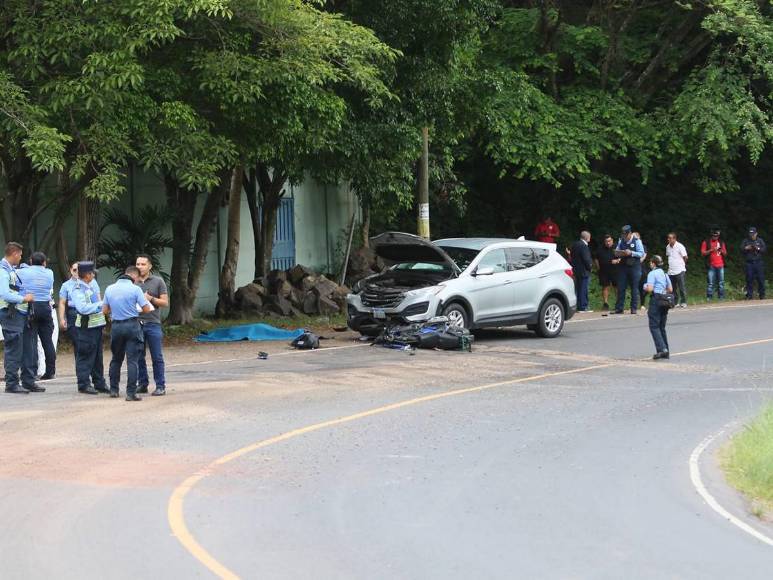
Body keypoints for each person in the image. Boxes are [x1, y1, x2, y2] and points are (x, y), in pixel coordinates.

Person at [103, 266, 151, 401]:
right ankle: (130, 393)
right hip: (132, 326)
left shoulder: (109, 288)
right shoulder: (135, 289)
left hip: (116, 326)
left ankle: (113, 390)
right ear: (134, 277)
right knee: (132, 361)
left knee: (116, 359)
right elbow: (146, 309)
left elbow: (105, 310)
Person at [0, 242, 40, 393]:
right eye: (20, 254)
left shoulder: (10, 270)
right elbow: (4, 293)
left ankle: (27, 381)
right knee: (14, 349)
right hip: (10, 313)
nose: (21, 257)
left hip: (18, 313)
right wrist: (24, 298)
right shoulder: (3, 271)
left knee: (24, 347)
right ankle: (11, 383)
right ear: (15, 253)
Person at [72, 261, 108, 395]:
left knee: (97, 357)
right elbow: (82, 308)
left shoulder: (90, 286)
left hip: (96, 326)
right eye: (92, 273)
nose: (93, 275)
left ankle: (99, 383)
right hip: (86, 328)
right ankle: (83, 384)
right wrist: (101, 305)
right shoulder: (78, 289)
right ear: (87, 274)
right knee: (85, 356)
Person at [135, 254, 168, 396]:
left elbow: (165, 303)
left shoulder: (158, 281)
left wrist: (151, 298)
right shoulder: (132, 282)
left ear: (150, 266)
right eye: (137, 264)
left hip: (153, 323)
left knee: (157, 356)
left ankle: (160, 385)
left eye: (143, 264)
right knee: (138, 356)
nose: (140, 267)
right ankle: (142, 383)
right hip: (136, 323)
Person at [21, 251, 56, 380]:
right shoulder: (49, 273)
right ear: (44, 262)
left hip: (32, 307)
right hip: (46, 308)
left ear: (31, 261)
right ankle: (50, 370)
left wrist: (25, 266)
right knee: (47, 341)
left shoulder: (24, 271)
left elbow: (18, 273)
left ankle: (33, 371)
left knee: (32, 340)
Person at [59, 261, 101, 366]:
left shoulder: (92, 282)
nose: (76, 272)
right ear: (70, 270)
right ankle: (82, 369)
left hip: (93, 313)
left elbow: (98, 298)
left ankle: (94, 372)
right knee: (79, 343)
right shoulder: (67, 285)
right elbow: (62, 302)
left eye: (78, 270)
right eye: (74, 270)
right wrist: (62, 318)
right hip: (74, 313)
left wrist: (102, 312)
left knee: (95, 344)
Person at [644, 255, 673, 360]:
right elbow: (670, 289)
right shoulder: (665, 274)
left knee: (654, 326)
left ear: (653, 263)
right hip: (664, 300)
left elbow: (650, 289)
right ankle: (666, 351)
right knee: (661, 326)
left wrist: (645, 286)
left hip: (656, 299)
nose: (650, 264)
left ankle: (662, 349)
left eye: (651, 262)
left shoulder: (652, 273)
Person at [614, 225, 645, 314]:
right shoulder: (621, 240)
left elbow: (641, 253)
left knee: (634, 288)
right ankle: (619, 308)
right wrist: (619, 253)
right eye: (623, 235)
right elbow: (617, 251)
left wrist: (631, 252)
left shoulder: (637, 241)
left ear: (630, 233)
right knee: (621, 287)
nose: (624, 236)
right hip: (623, 266)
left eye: (626, 235)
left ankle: (633, 308)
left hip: (634, 266)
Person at [700, 228, 727, 300]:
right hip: (711, 265)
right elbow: (703, 253)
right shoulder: (706, 242)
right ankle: (709, 298)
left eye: (717, 236)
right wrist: (711, 250)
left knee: (721, 283)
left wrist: (721, 250)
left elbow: (725, 253)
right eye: (714, 236)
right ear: (711, 235)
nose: (716, 237)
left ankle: (721, 297)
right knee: (710, 283)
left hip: (720, 265)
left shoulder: (721, 242)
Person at [570, 231, 593, 312]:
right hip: (584, 271)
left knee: (578, 289)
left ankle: (578, 306)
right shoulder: (584, 246)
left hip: (576, 270)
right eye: (589, 237)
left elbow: (572, 257)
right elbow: (586, 259)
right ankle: (583, 306)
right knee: (583, 289)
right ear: (587, 238)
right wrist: (590, 267)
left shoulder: (574, 245)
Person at [595, 234, 619, 311]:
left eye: (609, 241)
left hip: (616, 270)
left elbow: (623, 258)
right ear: (604, 242)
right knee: (605, 287)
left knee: (616, 287)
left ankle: (618, 303)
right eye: (606, 241)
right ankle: (605, 303)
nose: (608, 243)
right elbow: (596, 258)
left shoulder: (617, 247)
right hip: (604, 271)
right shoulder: (600, 249)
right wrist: (598, 267)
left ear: (612, 241)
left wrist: (618, 260)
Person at [741, 227, 766, 300]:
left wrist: (757, 248)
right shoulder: (746, 241)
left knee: (761, 279)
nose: (751, 235)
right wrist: (746, 248)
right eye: (750, 234)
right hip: (749, 263)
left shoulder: (760, 240)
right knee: (749, 279)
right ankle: (749, 295)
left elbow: (764, 249)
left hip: (758, 263)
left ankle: (762, 295)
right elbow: (741, 249)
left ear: (756, 233)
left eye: (753, 234)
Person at [665, 232, 688, 307]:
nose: (668, 239)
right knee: (673, 288)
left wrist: (682, 265)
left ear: (674, 239)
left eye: (670, 238)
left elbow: (685, 257)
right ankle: (675, 302)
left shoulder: (680, 246)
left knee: (681, 287)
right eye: (668, 238)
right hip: (671, 271)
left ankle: (684, 302)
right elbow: (669, 256)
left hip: (680, 270)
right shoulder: (668, 247)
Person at [633, 232, 649, 309]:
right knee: (637, 287)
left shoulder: (643, 246)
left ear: (639, 237)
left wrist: (636, 260)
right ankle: (639, 305)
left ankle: (642, 301)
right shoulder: (632, 247)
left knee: (645, 287)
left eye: (635, 237)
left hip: (642, 270)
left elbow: (643, 257)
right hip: (634, 270)